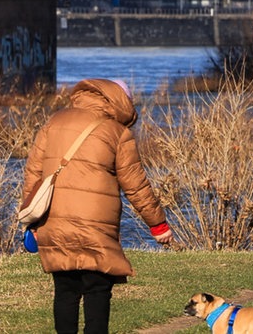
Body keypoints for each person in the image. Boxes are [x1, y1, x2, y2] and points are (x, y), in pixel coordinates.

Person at [22, 78, 173, 334]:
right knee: (97, 290)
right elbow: (136, 185)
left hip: (55, 222)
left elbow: (33, 176)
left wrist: (32, 221)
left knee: (65, 291)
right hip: (97, 225)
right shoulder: (118, 133)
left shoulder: (55, 122)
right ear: (119, 101)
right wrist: (158, 225)